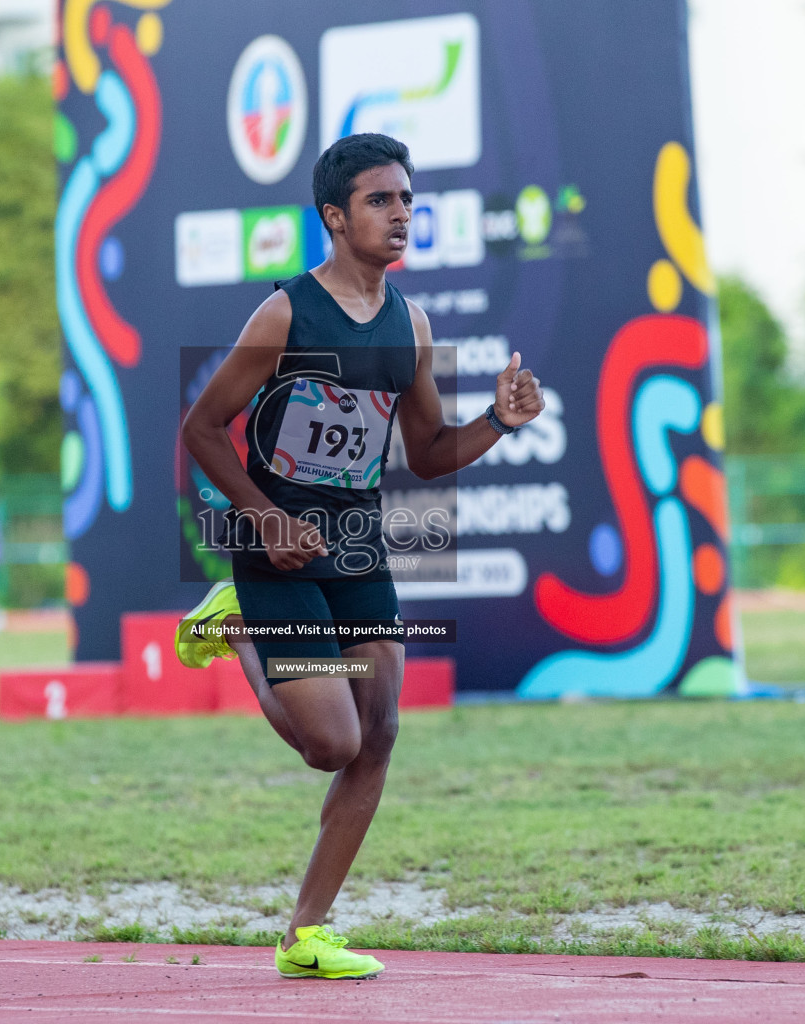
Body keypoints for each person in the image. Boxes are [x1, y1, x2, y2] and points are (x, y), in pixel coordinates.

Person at [179, 134, 545, 980]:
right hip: (276, 555)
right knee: (333, 745)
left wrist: (499, 423)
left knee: (379, 733)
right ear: (335, 218)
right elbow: (200, 430)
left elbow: (428, 453)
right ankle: (235, 630)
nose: (401, 215)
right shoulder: (284, 315)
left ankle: (307, 935)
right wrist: (265, 520)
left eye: (408, 200)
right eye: (381, 201)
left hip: (357, 548)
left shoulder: (408, 322)